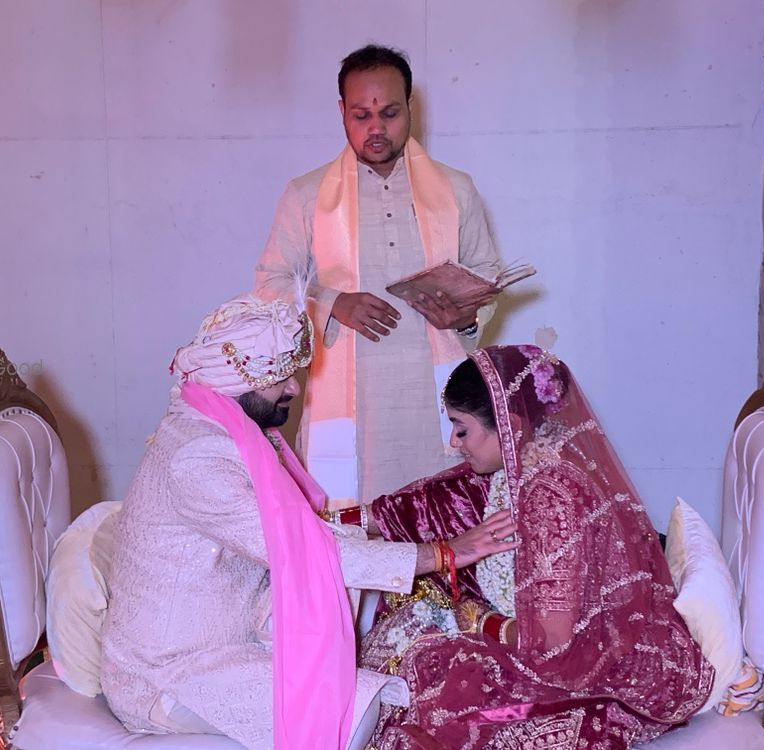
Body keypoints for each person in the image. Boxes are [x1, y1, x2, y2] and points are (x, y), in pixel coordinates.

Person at [98, 296, 517, 750]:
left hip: (231, 642)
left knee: (389, 678)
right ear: (239, 380)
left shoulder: (219, 432)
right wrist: (444, 553)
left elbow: (304, 534)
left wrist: (397, 539)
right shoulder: (198, 458)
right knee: (353, 710)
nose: (295, 390)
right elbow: (300, 549)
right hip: (169, 672)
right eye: (281, 377)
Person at [349, 345, 714, 749]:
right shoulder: (519, 463)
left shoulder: (550, 494)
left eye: (461, 428)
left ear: (510, 425)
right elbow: (426, 502)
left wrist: (476, 620)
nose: (453, 441)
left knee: (433, 674)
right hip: (540, 638)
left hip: (581, 667)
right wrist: (320, 519)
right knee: (414, 617)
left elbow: (554, 643)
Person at [255, 44, 503, 504]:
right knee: (353, 527)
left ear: (410, 107)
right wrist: (333, 304)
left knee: (445, 518)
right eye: (360, 115)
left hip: (436, 399)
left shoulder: (456, 188)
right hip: (352, 403)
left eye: (389, 112)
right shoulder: (307, 195)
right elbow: (270, 283)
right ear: (341, 112)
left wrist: (464, 317)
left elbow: (486, 272)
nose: (375, 128)